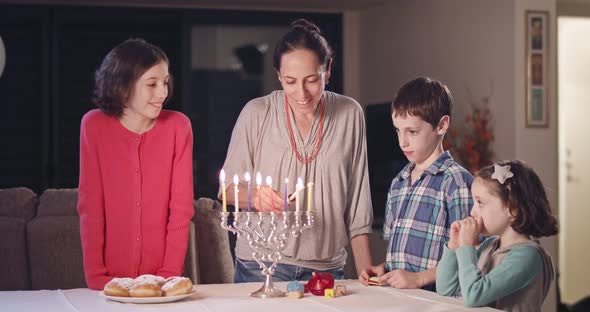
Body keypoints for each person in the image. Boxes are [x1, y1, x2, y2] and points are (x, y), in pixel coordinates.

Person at [220, 19, 373, 282]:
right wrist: (255, 198)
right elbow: (227, 190)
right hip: (261, 265)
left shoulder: (350, 114)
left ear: (328, 71)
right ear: (278, 76)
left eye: (311, 80)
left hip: (327, 269)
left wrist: (366, 274)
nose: (301, 93)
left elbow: (358, 206)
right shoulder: (257, 113)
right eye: (290, 81)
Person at [77, 38, 194, 290]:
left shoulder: (178, 127)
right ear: (123, 86)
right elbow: (91, 205)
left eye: (164, 82)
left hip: (163, 281)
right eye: (151, 84)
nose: (162, 92)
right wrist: (97, 277)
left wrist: (169, 275)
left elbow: (181, 209)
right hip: (109, 282)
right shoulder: (94, 125)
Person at [359, 77, 473, 290]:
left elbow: (469, 256)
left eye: (412, 132)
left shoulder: (455, 182)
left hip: (436, 302)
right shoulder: (398, 183)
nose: (402, 141)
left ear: (441, 125)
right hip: (401, 301)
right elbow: (402, 256)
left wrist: (418, 278)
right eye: (397, 130)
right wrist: (385, 269)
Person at [436, 160, 557, 311]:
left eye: (480, 203)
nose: (472, 212)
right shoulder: (490, 245)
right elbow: (445, 289)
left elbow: (474, 296)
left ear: (512, 209)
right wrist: (454, 247)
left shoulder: (528, 255)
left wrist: (467, 246)